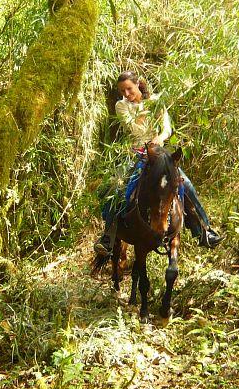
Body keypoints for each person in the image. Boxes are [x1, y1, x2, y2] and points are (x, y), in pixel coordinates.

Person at [94, 70, 220, 254]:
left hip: (159, 152)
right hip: (136, 153)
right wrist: (145, 107)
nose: (126, 94)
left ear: (138, 84)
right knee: (115, 187)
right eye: (122, 91)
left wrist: (160, 137)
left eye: (129, 89)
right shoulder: (121, 106)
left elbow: (167, 128)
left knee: (185, 184)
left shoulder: (156, 101)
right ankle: (108, 236)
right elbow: (134, 129)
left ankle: (204, 229)